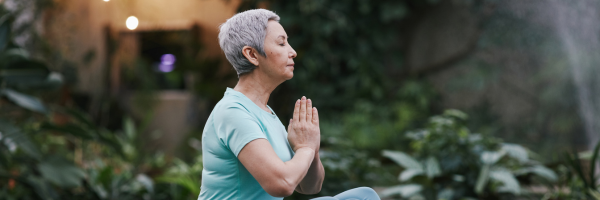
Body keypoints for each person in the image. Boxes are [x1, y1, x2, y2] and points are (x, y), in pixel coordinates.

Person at [198, 9, 381, 200]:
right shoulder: (232, 112)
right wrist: (305, 148)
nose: (292, 52)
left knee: (364, 196)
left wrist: (312, 148)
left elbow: (310, 186)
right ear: (252, 54)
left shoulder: (266, 112)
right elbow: (282, 184)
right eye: (281, 43)